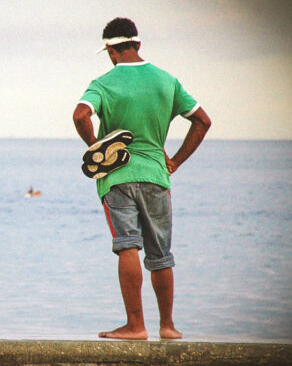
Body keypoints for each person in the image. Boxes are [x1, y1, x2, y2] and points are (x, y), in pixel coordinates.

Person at [72, 17, 212, 340]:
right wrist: (174, 161)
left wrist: (96, 147)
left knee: (127, 246)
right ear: (138, 44)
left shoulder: (103, 83)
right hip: (157, 176)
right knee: (161, 253)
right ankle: (168, 326)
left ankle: (135, 326)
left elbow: (81, 115)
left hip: (117, 176)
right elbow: (202, 121)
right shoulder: (167, 81)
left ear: (110, 51)